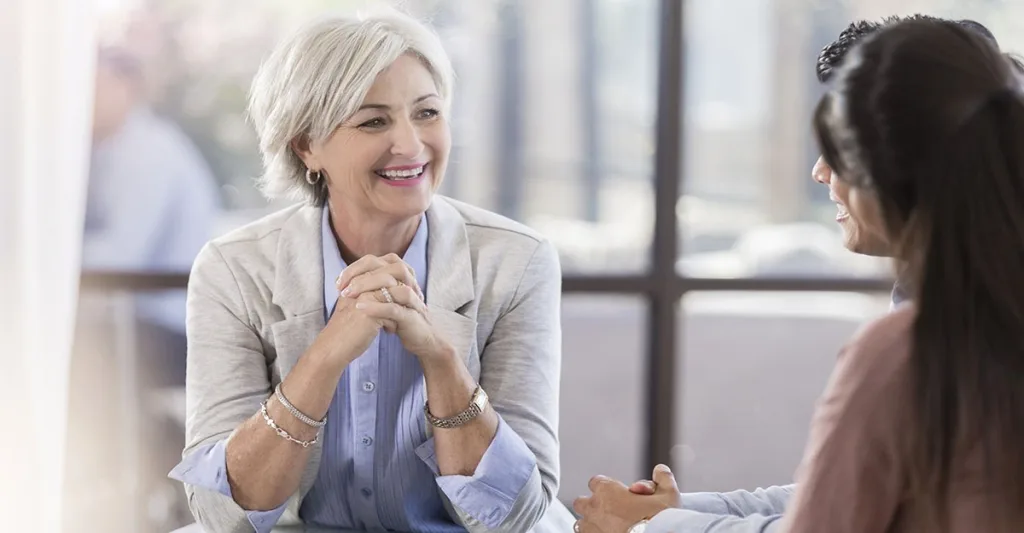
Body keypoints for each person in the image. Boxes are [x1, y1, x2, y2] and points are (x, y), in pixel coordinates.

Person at [572, 15, 1024, 533]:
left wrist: (644, 528)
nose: (820, 172)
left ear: (895, 163)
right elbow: (845, 491)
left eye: (836, 146)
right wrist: (673, 515)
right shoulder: (978, 312)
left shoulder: (912, 347)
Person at [168, 11, 574, 533]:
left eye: (427, 113)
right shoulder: (234, 269)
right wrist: (325, 356)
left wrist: (439, 358)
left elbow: (518, 516)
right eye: (373, 121)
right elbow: (225, 514)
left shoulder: (517, 262)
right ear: (306, 145)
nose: (410, 145)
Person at [84, 46, 221, 385]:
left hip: (167, 330)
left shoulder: (150, 154)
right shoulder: (110, 151)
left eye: (94, 84)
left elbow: (120, 257)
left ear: (125, 87)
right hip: (134, 324)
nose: (84, 97)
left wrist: (31, 262)